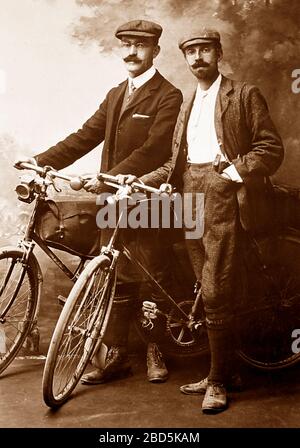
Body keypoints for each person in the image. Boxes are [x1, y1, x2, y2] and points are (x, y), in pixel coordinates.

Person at [15, 19, 183, 385]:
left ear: (155, 50)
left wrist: (109, 176)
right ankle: (117, 356)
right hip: (113, 199)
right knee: (116, 279)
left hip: (147, 198)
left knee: (151, 276)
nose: (131, 52)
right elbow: (83, 137)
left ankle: (156, 350)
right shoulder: (115, 94)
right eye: (126, 45)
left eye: (140, 45)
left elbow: (154, 148)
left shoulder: (169, 95)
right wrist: (41, 161)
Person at [140, 27, 284, 413]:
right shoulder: (188, 103)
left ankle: (218, 381)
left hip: (223, 193)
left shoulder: (243, 94)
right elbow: (175, 162)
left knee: (217, 289)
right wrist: (142, 182)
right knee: (203, 286)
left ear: (218, 53)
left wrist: (232, 173)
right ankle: (224, 370)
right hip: (189, 191)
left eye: (205, 50)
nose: (197, 57)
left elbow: (270, 149)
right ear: (185, 59)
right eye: (191, 52)